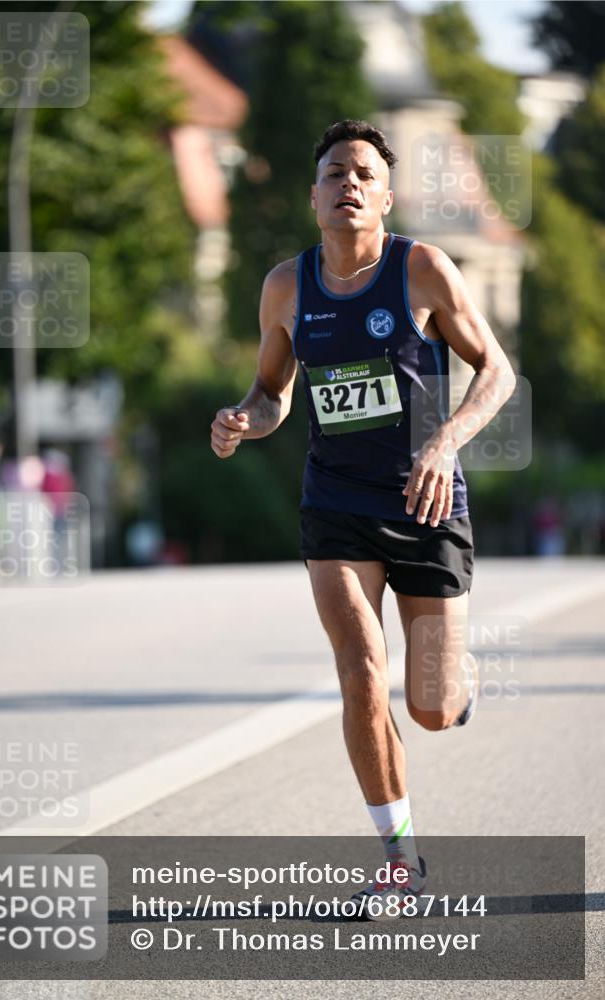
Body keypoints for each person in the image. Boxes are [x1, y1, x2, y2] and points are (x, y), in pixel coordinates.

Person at [210, 119, 516, 919]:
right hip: (335, 502)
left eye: (362, 174)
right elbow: (273, 393)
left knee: (430, 706)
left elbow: (497, 370)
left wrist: (445, 442)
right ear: (313, 197)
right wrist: (243, 417)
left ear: (385, 194)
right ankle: (398, 860)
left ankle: (457, 682)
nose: (347, 184)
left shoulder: (422, 270)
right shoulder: (286, 286)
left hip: (424, 502)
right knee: (357, 672)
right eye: (333, 174)